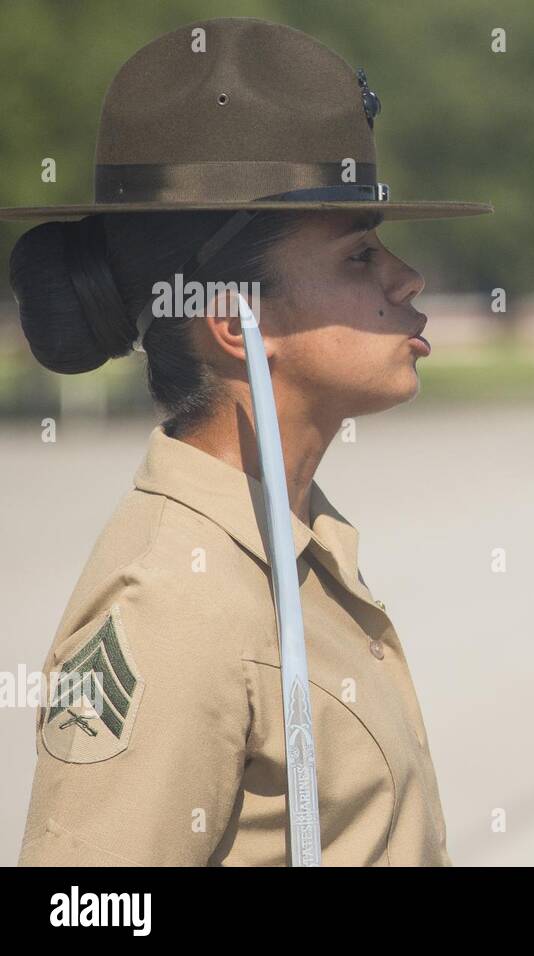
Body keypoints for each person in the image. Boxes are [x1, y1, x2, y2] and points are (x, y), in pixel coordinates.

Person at [1, 17, 492, 865]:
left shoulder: (294, 542)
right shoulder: (173, 604)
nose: (406, 277)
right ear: (235, 319)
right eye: (358, 257)